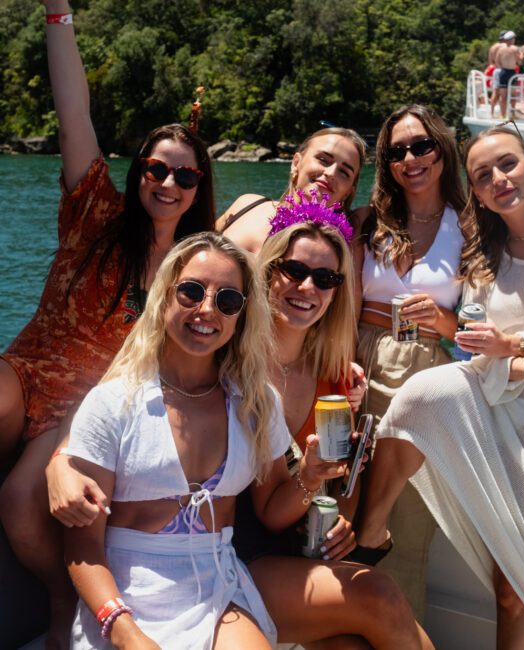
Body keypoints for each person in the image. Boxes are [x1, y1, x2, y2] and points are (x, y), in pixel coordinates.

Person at [354, 125, 524, 649]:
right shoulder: (484, 253)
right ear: (475, 191)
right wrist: (518, 356)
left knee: (515, 585)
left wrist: (516, 344)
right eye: (483, 176)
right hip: (497, 397)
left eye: (508, 164)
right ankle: (371, 535)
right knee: (421, 395)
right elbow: (477, 346)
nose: (499, 180)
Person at [0, 2, 215, 646]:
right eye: (156, 169)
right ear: (137, 173)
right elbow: (75, 114)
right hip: (30, 366)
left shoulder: (195, 272)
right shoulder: (94, 211)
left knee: (18, 499)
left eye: (183, 174)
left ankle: (65, 599)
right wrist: (58, 13)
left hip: (90, 405)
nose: (168, 182)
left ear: (198, 184)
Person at [62, 230, 337, 648]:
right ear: (165, 295)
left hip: (217, 586)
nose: (207, 309)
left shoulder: (256, 403)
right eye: (192, 291)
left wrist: (312, 477)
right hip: (125, 595)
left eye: (227, 300)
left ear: (242, 315)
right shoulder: (114, 402)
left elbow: (272, 508)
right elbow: (82, 546)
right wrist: (125, 632)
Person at [232, 210, 434, 649]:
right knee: (377, 593)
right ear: (268, 271)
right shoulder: (234, 363)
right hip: (239, 552)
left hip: (300, 552)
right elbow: (269, 512)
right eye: (296, 271)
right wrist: (309, 476)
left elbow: (345, 476)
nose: (309, 288)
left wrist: (342, 518)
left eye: (326, 279)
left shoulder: (336, 376)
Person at [349, 104, 466, 620]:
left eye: (422, 146)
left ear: (442, 148)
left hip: (427, 374)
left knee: (406, 526)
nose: (411, 159)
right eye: (397, 151)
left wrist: (444, 322)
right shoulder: (367, 221)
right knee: (341, 511)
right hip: (356, 364)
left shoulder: (473, 227)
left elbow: (485, 327)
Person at [216, 127, 365, 254]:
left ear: (348, 192)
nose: (331, 173)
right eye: (323, 160)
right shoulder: (247, 204)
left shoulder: (338, 250)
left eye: (344, 172)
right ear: (296, 163)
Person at [495, 31, 524, 119]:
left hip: (503, 72)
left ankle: (502, 115)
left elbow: (497, 61)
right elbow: (520, 61)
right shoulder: (514, 49)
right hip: (511, 72)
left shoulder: (500, 49)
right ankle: (513, 114)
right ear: (511, 39)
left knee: (503, 95)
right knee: (513, 95)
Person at [488, 31, 507, 117]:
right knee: (503, 94)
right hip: (503, 70)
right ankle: (503, 114)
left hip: (495, 70)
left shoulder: (493, 47)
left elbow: (490, 62)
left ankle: (491, 112)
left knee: (495, 92)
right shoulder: (505, 46)